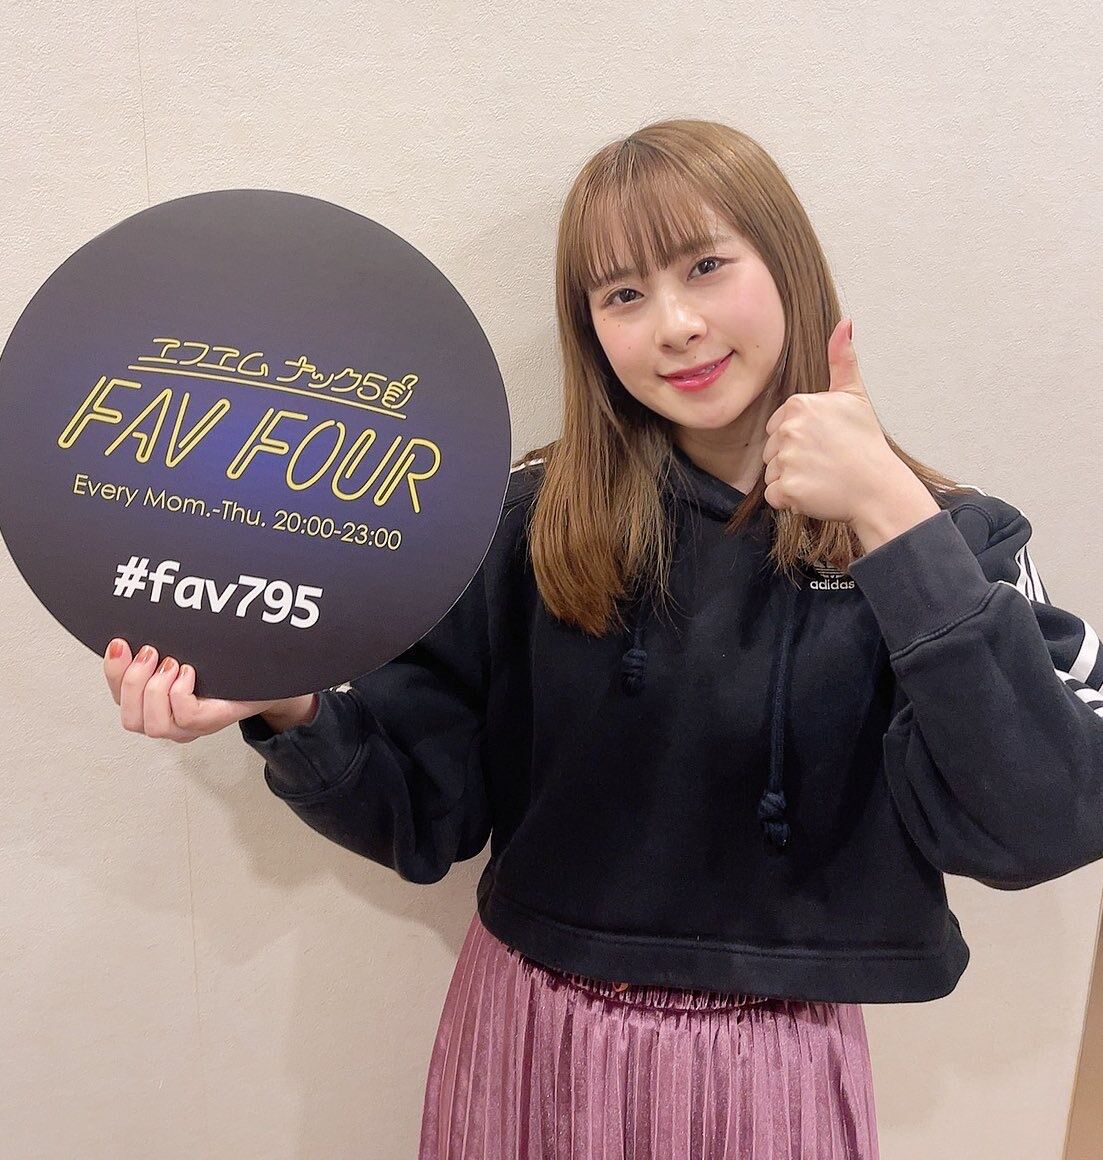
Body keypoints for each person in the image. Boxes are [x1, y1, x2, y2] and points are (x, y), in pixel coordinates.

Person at [102, 119, 1103, 1159]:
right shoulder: (529, 521)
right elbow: (423, 809)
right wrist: (286, 703)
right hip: (529, 1035)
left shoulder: (952, 537)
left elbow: (1046, 819)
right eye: (622, 294)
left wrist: (892, 517)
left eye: (705, 266)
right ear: (587, 329)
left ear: (788, 264)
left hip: (773, 1062)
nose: (674, 325)